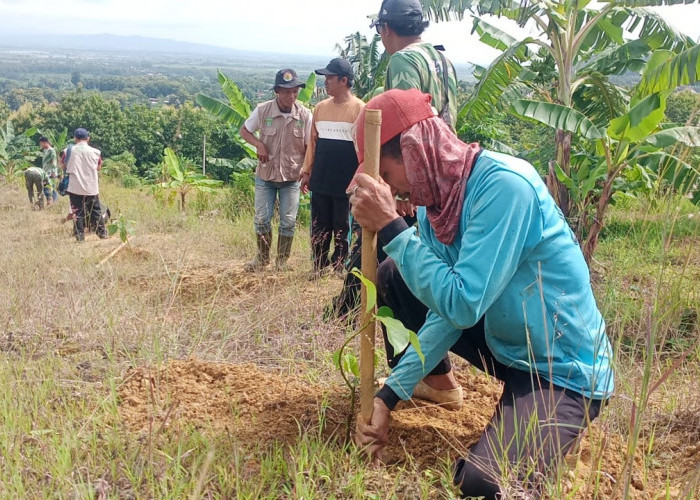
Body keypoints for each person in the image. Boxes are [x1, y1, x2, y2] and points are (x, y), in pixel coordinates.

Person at [349, 89, 614, 499]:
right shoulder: (431, 203)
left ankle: (558, 429)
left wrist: (389, 226)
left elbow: (463, 303)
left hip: (561, 367)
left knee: (486, 485)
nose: (388, 187)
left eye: (385, 172)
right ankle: (441, 385)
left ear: (413, 151)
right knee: (397, 275)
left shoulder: (504, 188)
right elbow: (446, 312)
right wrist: (388, 397)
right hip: (508, 345)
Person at [240, 68, 312, 272]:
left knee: (288, 222)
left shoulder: (305, 116)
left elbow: (309, 147)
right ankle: (262, 259)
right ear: (277, 91)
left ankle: (282, 261)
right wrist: (259, 144)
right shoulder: (263, 111)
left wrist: (307, 173)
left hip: (292, 177)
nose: (292, 96)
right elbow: (245, 131)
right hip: (266, 176)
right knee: (262, 219)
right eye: (287, 91)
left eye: (295, 91)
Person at [300, 58, 365, 279]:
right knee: (319, 226)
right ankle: (318, 266)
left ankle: (339, 266)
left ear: (344, 80)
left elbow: (364, 150)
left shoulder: (360, 109)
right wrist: (307, 172)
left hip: (346, 182)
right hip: (321, 178)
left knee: (341, 225)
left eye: (330, 78)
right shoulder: (320, 108)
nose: (325, 82)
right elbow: (313, 143)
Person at [372, 0, 458, 130]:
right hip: (447, 148)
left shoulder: (402, 60)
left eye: (379, 28)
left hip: (420, 150)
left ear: (387, 28)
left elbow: (404, 123)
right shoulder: (444, 60)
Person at [61, 128, 108, 242]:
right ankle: (102, 234)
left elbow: (63, 166)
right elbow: (98, 167)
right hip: (91, 186)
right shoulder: (96, 152)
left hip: (75, 186)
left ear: (75, 138)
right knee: (95, 211)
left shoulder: (67, 151)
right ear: (88, 138)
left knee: (77, 211)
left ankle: (80, 236)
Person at [39, 136, 58, 206]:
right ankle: (48, 201)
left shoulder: (51, 151)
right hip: (45, 173)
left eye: (41, 144)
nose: (41, 145)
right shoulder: (45, 151)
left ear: (45, 143)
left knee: (52, 187)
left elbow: (54, 162)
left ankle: (54, 202)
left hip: (51, 173)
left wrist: (53, 172)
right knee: (46, 187)